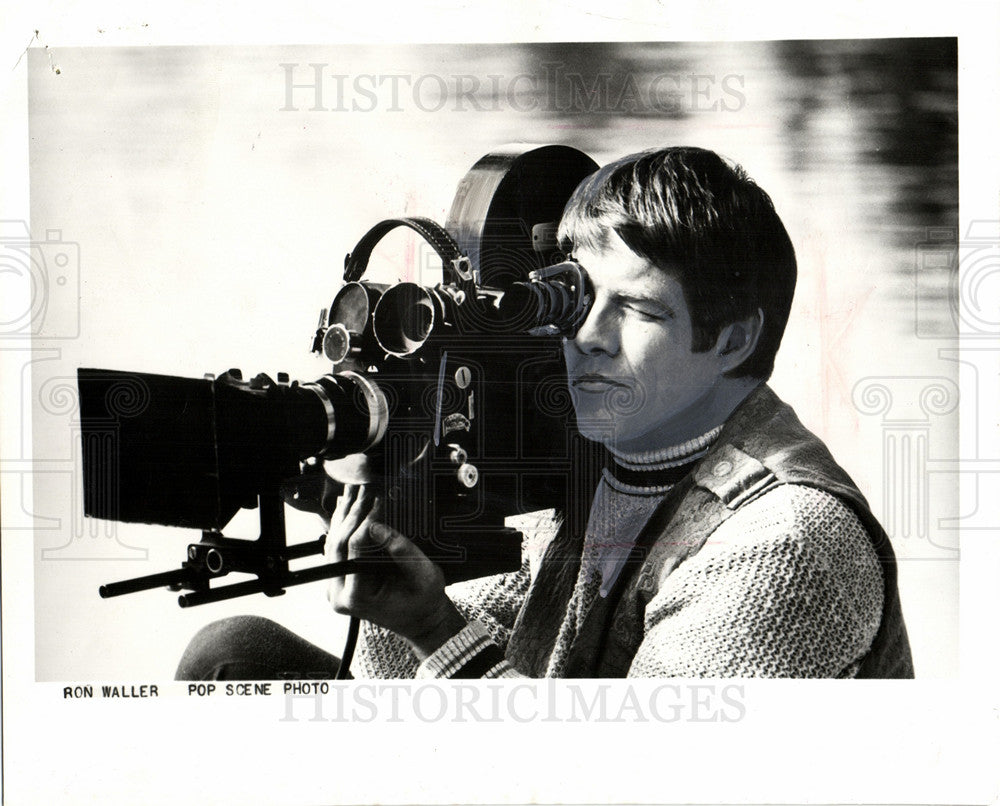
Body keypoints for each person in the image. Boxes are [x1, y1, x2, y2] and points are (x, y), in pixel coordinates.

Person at [176, 146, 913, 680]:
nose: (588, 337)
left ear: (733, 338)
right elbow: (528, 640)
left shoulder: (785, 542)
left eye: (637, 309)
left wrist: (433, 625)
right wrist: (384, 512)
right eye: (582, 298)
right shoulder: (627, 448)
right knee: (231, 656)